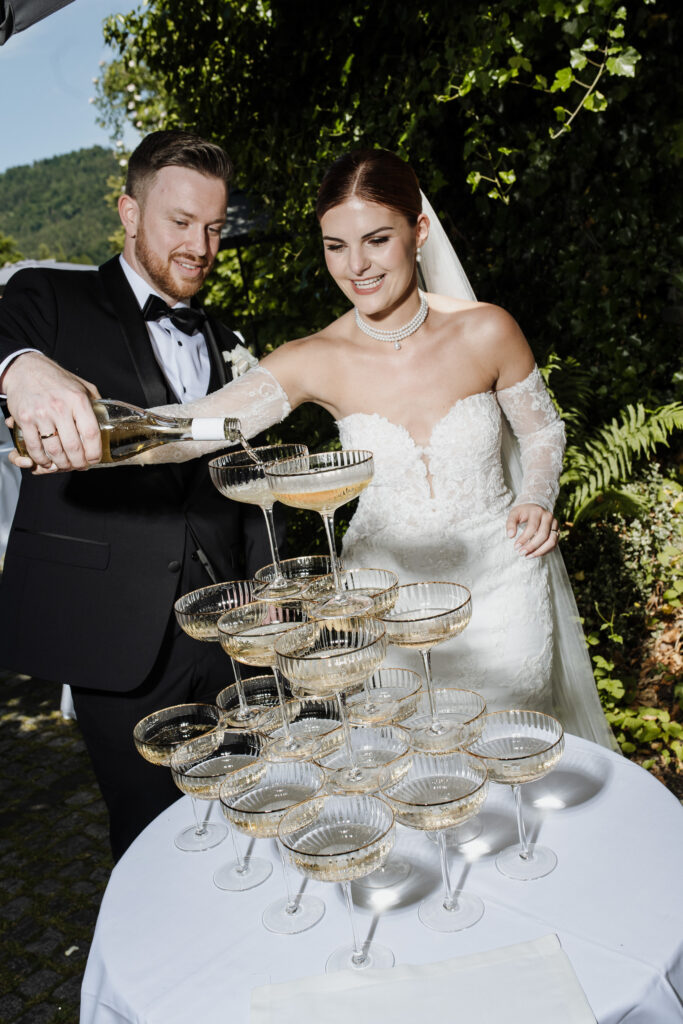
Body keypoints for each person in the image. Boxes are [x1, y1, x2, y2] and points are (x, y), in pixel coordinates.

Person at [9, 148, 613, 748]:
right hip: (383, 612)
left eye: (376, 240)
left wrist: (536, 495)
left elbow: (541, 430)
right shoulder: (312, 359)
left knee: (510, 761)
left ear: (418, 231)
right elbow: (188, 430)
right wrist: (88, 439)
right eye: (335, 246)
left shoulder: (489, 330)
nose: (357, 267)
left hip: (502, 596)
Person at [0, 130, 280, 859]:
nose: (201, 245)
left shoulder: (225, 336)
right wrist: (22, 367)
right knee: (153, 836)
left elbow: (238, 480)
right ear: (128, 212)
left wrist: (264, 582)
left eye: (215, 227)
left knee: (248, 815)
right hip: (117, 631)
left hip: (230, 631)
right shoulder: (51, 299)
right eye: (180, 222)